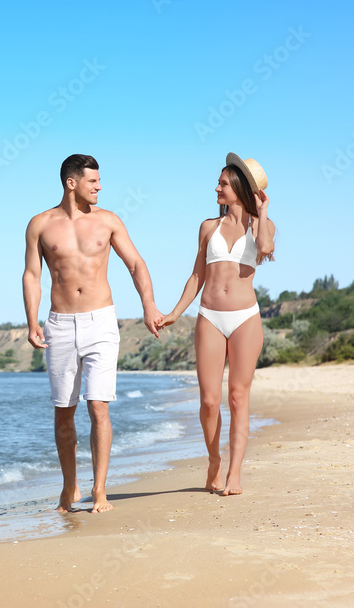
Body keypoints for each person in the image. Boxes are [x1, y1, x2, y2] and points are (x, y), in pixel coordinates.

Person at [22, 154, 162, 513]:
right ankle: (70, 487)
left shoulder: (108, 221)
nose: (99, 187)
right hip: (60, 324)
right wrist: (31, 321)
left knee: (98, 406)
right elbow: (32, 276)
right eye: (93, 181)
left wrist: (149, 307)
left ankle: (100, 491)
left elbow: (136, 264)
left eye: (99, 182)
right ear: (72, 182)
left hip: (101, 321)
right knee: (63, 412)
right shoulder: (40, 224)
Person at [158, 153, 275, 496]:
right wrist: (175, 312)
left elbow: (266, 248)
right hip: (209, 316)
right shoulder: (208, 227)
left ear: (239, 188)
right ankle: (214, 460)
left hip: (245, 318)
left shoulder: (260, 228)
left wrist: (262, 210)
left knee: (238, 398)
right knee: (209, 401)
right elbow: (197, 276)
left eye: (223, 183)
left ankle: (235, 475)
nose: (217, 188)